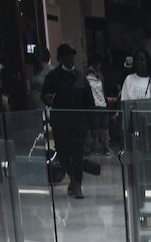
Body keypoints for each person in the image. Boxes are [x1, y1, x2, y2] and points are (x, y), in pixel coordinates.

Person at [41, 44, 94, 199]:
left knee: (77, 154)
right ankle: (72, 178)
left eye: (71, 56)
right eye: (66, 56)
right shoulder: (53, 76)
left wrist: (92, 125)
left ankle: (77, 185)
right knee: (63, 154)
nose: (70, 59)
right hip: (61, 123)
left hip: (79, 123)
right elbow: (45, 95)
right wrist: (48, 99)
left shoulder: (80, 77)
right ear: (60, 58)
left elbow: (89, 101)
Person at [85, 66, 110, 155]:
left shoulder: (86, 81)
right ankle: (106, 149)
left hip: (93, 106)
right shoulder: (99, 81)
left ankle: (93, 148)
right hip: (103, 106)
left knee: (94, 129)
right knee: (105, 129)